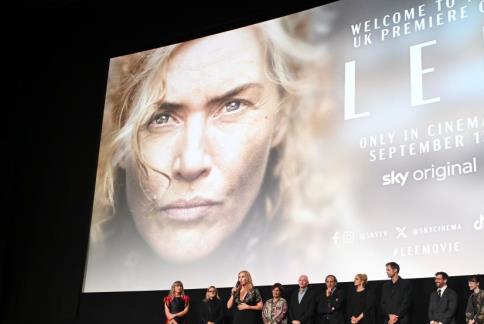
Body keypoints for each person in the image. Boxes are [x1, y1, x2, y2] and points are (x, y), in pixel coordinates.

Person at [84, 13, 332, 293]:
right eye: (160, 117)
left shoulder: (332, 260)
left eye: (232, 105)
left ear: (281, 118)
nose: (190, 163)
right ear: (119, 138)